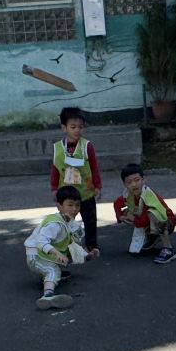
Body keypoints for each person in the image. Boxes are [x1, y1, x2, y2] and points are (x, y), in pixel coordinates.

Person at [25, 186, 92, 310]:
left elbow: (74, 242)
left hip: (44, 254)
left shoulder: (70, 222)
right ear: (59, 206)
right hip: (36, 256)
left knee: (68, 252)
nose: (74, 209)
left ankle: (49, 276)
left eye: (77, 205)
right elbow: (41, 242)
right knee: (53, 270)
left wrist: (87, 255)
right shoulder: (55, 224)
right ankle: (47, 296)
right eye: (70, 205)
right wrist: (57, 253)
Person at [50, 106, 102, 255]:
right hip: (66, 194)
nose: (77, 130)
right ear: (64, 128)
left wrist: (98, 186)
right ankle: (66, 245)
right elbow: (55, 169)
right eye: (73, 127)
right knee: (66, 221)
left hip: (86, 192)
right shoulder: (57, 148)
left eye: (80, 127)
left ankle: (91, 246)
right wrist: (54, 188)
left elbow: (94, 167)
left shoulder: (87, 146)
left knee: (90, 220)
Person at [112, 163, 176, 264]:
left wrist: (134, 220)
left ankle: (169, 249)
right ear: (125, 184)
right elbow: (117, 203)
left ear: (143, 180)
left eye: (137, 180)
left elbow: (145, 219)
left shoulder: (148, 195)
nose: (134, 184)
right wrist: (119, 216)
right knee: (126, 212)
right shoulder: (128, 194)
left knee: (152, 214)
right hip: (145, 220)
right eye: (129, 182)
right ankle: (152, 237)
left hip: (167, 222)